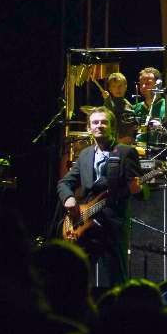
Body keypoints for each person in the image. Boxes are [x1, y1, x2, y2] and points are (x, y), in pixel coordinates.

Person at [57, 106, 142, 287]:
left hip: (113, 226)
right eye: (95, 122)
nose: (99, 125)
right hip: (85, 225)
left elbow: (140, 191)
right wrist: (69, 198)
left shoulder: (125, 152)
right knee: (75, 279)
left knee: (116, 282)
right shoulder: (85, 155)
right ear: (89, 128)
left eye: (104, 122)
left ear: (112, 127)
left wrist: (139, 189)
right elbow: (64, 183)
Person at [132, 67, 167, 144]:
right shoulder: (135, 108)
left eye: (148, 83)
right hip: (139, 150)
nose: (143, 86)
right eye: (141, 84)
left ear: (159, 85)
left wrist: (163, 129)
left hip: (163, 150)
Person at [101, 72, 138, 144]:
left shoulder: (129, 106)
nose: (117, 89)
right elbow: (110, 116)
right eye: (114, 86)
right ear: (110, 89)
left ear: (125, 87)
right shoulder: (108, 104)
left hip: (125, 144)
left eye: (120, 86)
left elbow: (133, 127)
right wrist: (107, 100)